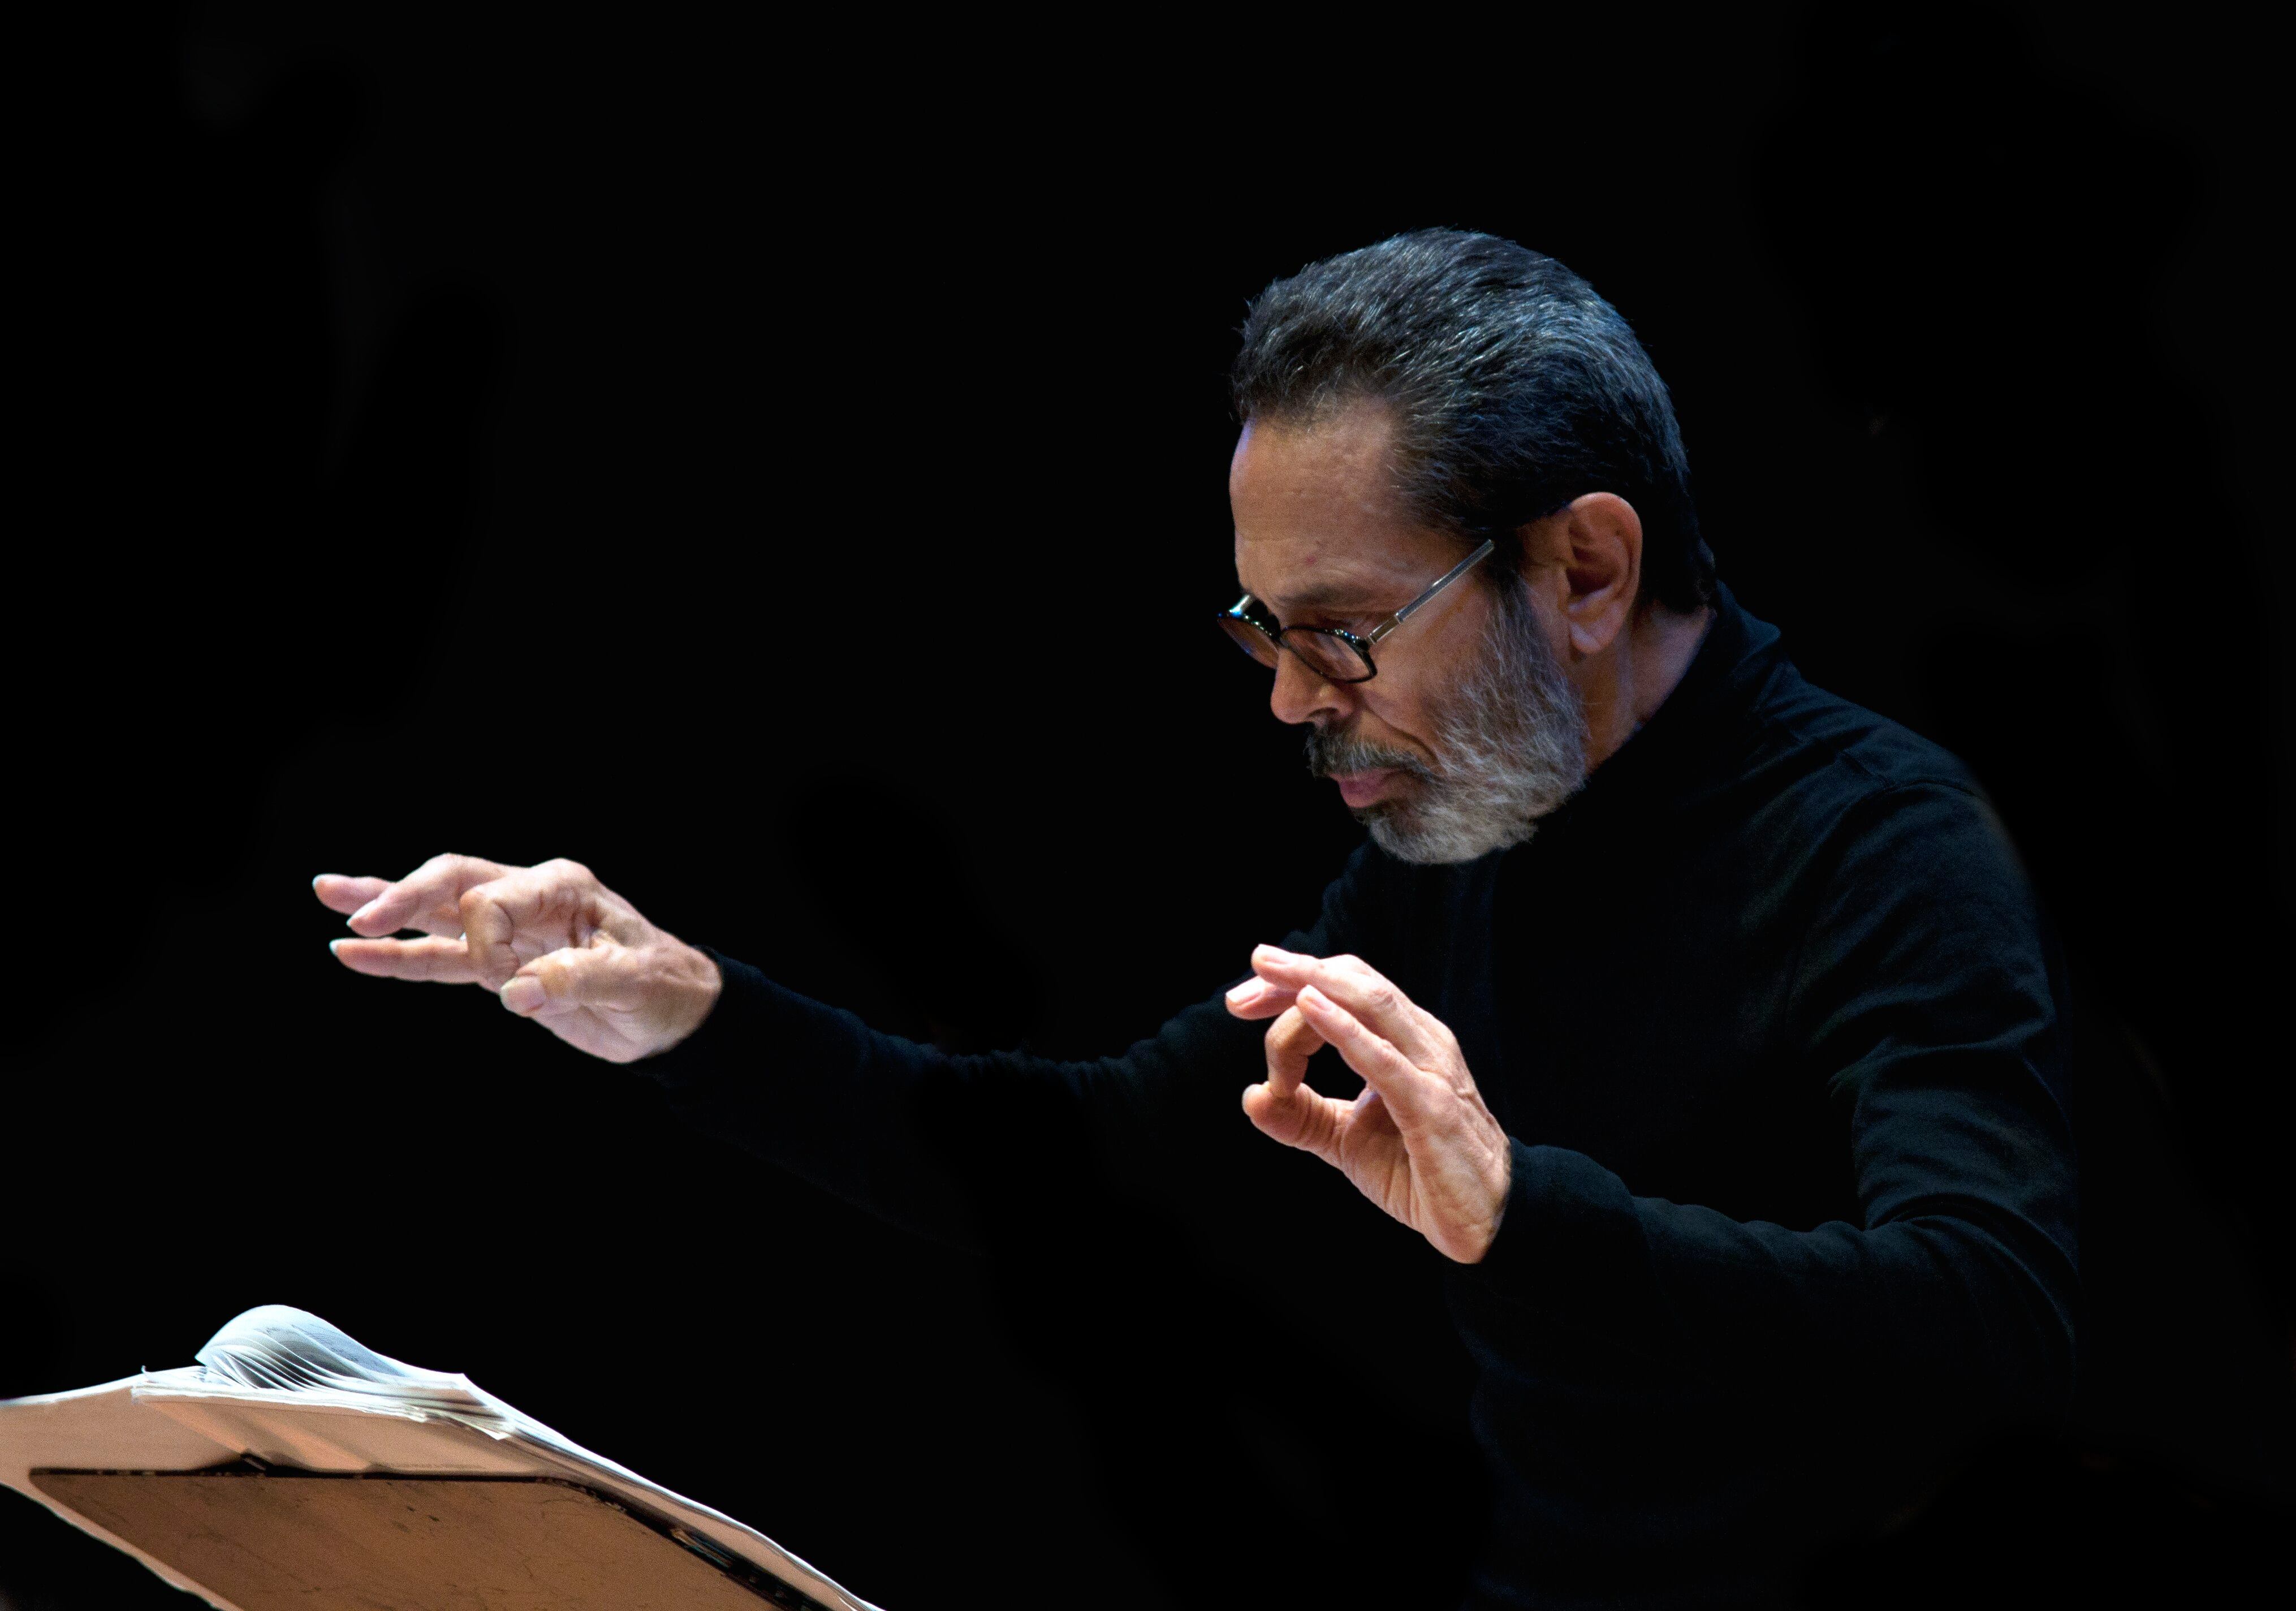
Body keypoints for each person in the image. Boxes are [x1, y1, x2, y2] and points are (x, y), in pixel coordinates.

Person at [313, 230, 2077, 1609]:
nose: (1294, 699)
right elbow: (1086, 1163)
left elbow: (1993, 1319)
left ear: (1586, 569)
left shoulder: (1883, 837)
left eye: (1341, 631)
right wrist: (688, 1012)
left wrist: (1520, 1216)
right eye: (1263, 631)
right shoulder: (1467, 824)